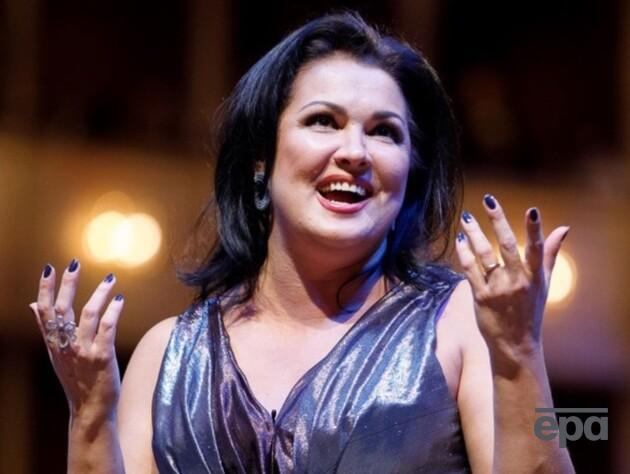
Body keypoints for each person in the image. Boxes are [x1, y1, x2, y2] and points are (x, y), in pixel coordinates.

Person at [30, 12, 575, 474]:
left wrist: (518, 355)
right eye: (323, 121)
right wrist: (90, 416)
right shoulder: (167, 355)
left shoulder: (460, 325)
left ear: (411, 174)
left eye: (384, 132)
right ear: (261, 159)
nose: (355, 152)